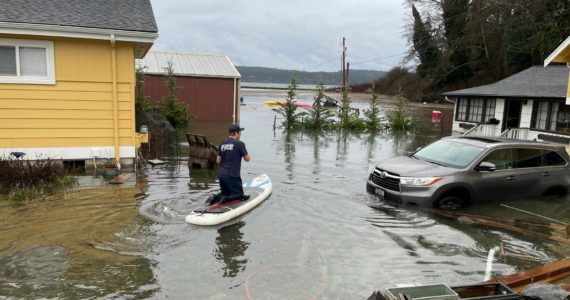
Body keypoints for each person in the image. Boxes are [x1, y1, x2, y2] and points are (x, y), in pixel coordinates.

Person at [207, 124, 251, 205]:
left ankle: (214, 197)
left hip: (222, 176)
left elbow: (218, 161)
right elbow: (247, 159)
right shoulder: (240, 144)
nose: (240, 134)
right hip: (233, 176)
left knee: (226, 192)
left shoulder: (222, 143)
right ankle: (225, 199)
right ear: (236, 133)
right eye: (240, 132)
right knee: (239, 195)